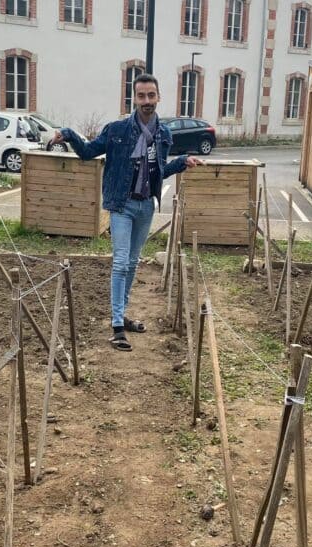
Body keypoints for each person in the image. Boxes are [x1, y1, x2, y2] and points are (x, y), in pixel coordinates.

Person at [49, 73, 202, 352]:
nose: (147, 101)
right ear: (134, 98)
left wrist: (181, 162)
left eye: (151, 96)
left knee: (133, 262)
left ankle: (122, 314)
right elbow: (87, 152)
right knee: (120, 262)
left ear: (158, 98)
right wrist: (68, 134)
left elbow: (158, 173)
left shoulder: (163, 135)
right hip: (122, 205)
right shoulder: (116, 130)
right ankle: (117, 325)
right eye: (141, 96)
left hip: (146, 205)